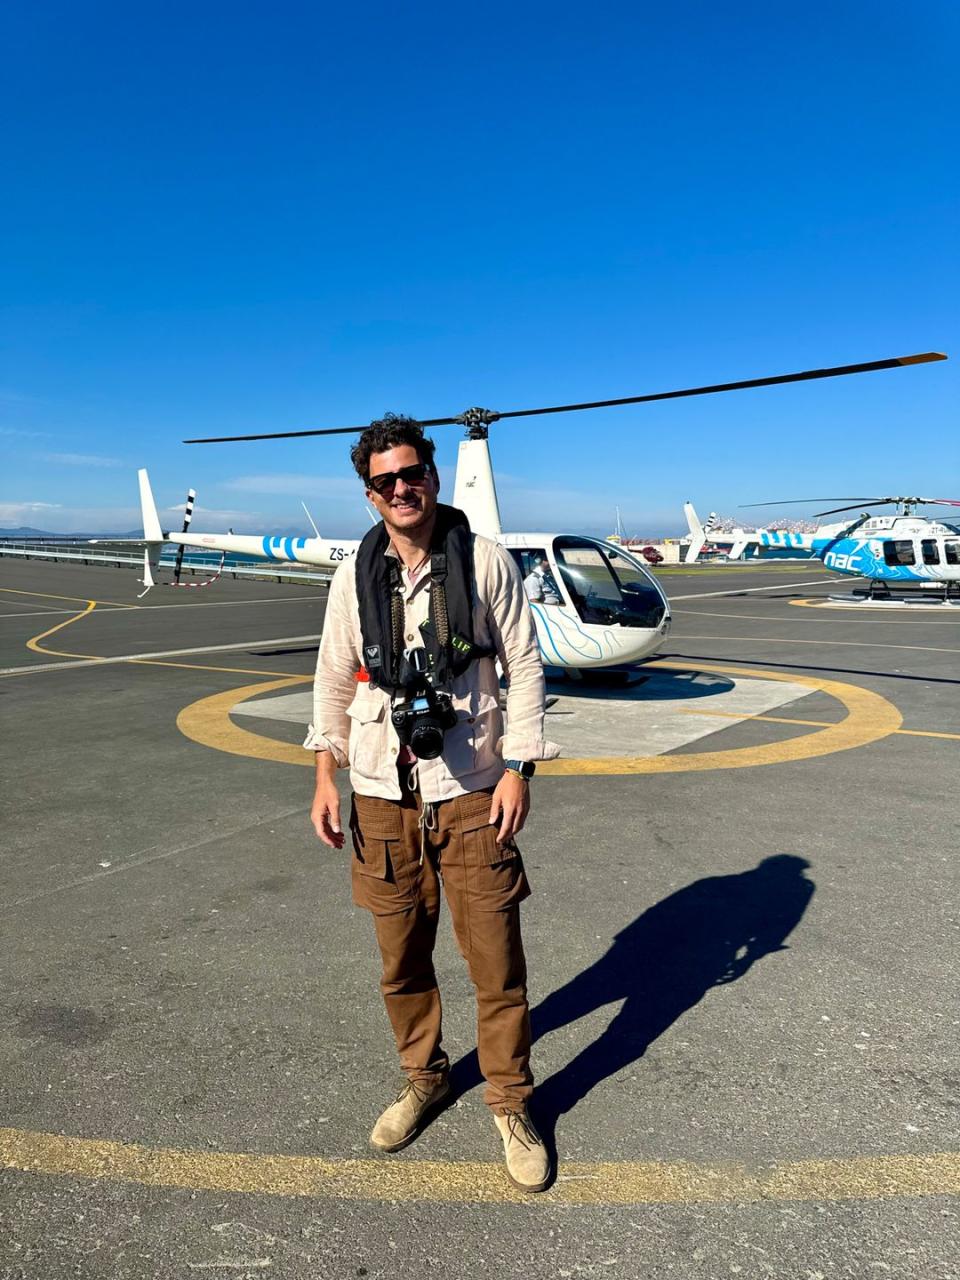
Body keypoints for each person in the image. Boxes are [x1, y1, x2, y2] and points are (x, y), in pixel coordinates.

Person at [305, 414, 559, 1193]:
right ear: (370, 492)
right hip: (381, 796)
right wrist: (325, 773)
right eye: (384, 481)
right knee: (401, 962)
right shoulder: (355, 575)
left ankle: (512, 1103)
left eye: (411, 474)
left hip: (471, 791)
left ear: (434, 476)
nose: (401, 489)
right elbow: (331, 674)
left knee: (495, 964)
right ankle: (426, 1078)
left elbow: (524, 662)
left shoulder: (481, 561)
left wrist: (519, 766)